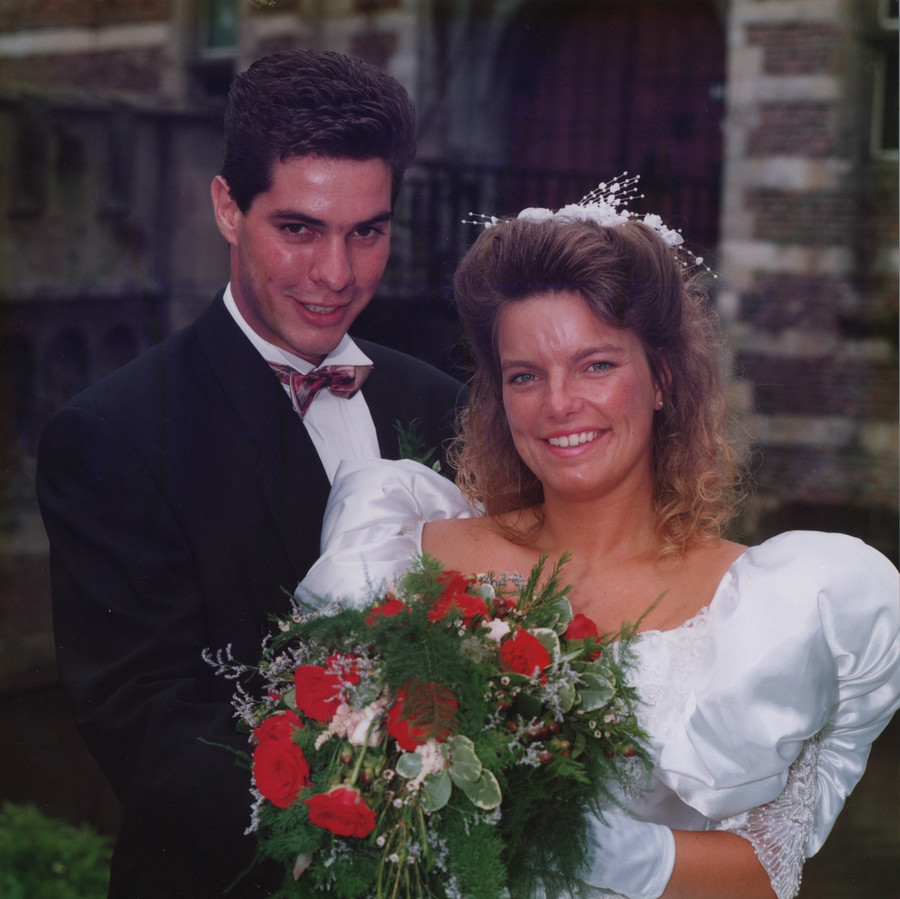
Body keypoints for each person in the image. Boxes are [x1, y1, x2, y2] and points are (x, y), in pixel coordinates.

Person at [298, 183, 900, 898]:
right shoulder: (404, 556)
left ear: (661, 379)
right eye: (526, 375)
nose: (558, 404)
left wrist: (598, 847)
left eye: (597, 365)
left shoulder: (778, 608)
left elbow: (767, 872)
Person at [36, 49, 463, 897]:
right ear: (228, 208)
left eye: (367, 231)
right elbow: (145, 723)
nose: (336, 274)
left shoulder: (444, 402)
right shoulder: (114, 435)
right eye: (299, 229)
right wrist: (373, 834)